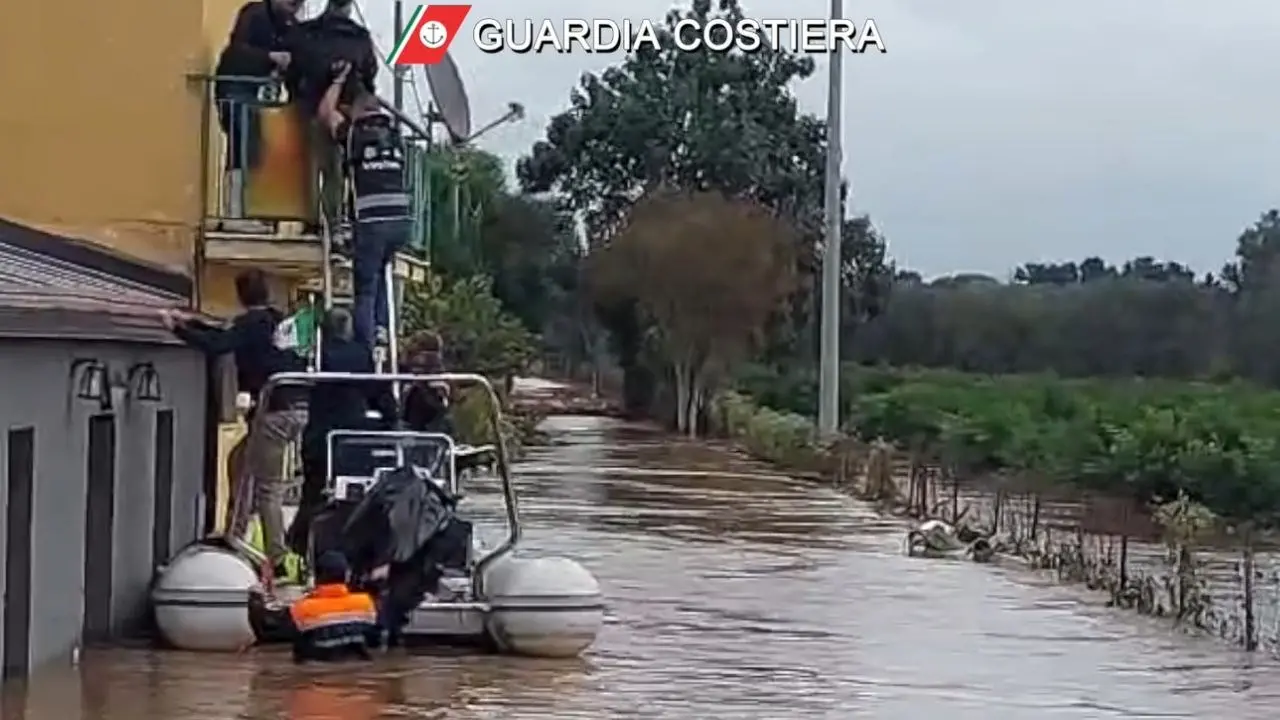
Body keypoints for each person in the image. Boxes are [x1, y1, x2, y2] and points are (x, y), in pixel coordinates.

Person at [162, 270, 307, 576]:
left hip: (273, 412)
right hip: (295, 408)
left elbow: (219, 344)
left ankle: (274, 557)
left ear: (240, 296)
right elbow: (223, 333)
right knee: (239, 461)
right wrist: (189, 322)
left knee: (262, 486)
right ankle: (235, 531)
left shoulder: (251, 325)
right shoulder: (277, 321)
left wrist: (179, 330)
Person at [289, 308, 397, 556]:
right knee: (356, 495)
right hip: (353, 439)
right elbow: (377, 393)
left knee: (312, 492)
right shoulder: (360, 356)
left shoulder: (315, 357)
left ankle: (300, 546)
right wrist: (392, 418)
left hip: (320, 436)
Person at [317, 61, 410, 349]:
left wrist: (338, 80)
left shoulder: (355, 132)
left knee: (365, 289)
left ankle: (365, 346)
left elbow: (325, 113)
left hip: (371, 221)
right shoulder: (396, 137)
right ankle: (382, 330)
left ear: (357, 112)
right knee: (382, 273)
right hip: (402, 222)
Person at [294, 0, 378, 230]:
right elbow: (370, 78)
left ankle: (313, 222)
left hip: (311, 111)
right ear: (348, 7)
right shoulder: (360, 38)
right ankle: (341, 221)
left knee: (314, 169)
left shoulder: (307, 34)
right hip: (349, 115)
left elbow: (293, 73)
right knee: (345, 171)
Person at [213, 0, 301, 220]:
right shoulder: (254, 13)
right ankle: (235, 212)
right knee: (242, 144)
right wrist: (269, 58)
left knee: (255, 149)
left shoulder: (290, 25)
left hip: (258, 92)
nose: (296, 6)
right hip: (234, 86)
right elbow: (237, 50)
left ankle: (249, 212)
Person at [288, 551, 380, 662]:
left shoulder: (301, 609)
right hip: (358, 665)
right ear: (346, 576)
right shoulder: (365, 603)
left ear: (317, 576)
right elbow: (374, 639)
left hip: (319, 670)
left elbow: (298, 651)